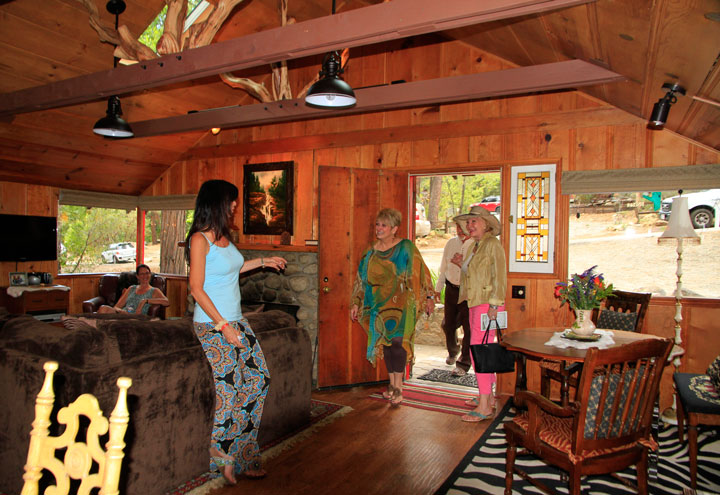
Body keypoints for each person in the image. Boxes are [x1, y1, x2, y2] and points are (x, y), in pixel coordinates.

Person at [185, 179, 287, 485]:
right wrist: (223, 326)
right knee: (229, 387)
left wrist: (263, 261)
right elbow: (196, 288)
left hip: (237, 320)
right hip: (211, 324)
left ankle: (239, 450)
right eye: (231, 201)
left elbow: (230, 269)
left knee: (259, 379)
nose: (234, 206)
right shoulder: (199, 240)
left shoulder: (224, 238)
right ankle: (223, 451)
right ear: (217, 202)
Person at [350, 207, 435, 406]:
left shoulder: (406, 247)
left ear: (394, 228)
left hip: (403, 303)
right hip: (378, 304)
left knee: (398, 343)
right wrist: (355, 303)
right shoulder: (370, 251)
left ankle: (399, 386)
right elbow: (360, 280)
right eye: (377, 225)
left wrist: (429, 296)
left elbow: (422, 272)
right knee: (387, 344)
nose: (379, 229)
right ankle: (391, 383)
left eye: (384, 225)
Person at [451, 205, 506, 422]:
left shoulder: (492, 244)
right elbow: (474, 274)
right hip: (475, 303)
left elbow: (499, 276)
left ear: (486, 224)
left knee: (479, 352)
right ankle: (487, 396)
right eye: (469, 222)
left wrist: (494, 305)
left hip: (488, 305)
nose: (470, 225)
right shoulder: (476, 245)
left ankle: (485, 407)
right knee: (478, 351)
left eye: (475, 221)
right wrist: (460, 264)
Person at [434, 220, 472, 375]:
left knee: (468, 328)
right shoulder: (451, 243)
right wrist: (438, 289)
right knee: (447, 324)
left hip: (468, 291)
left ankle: (463, 364)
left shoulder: (476, 245)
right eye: (458, 227)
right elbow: (443, 268)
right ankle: (453, 350)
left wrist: (461, 264)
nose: (460, 230)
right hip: (451, 289)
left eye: (463, 227)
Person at [97, 264, 169, 315]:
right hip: (123, 315)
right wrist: (122, 312)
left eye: (147, 273)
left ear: (150, 274)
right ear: (137, 276)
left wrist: (145, 301)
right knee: (103, 308)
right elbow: (116, 307)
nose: (145, 276)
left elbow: (167, 302)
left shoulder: (154, 290)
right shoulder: (132, 288)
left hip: (136, 318)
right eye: (142, 274)